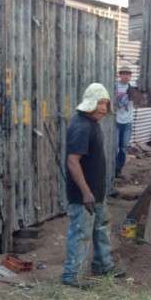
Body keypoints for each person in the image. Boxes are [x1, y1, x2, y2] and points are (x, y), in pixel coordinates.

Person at [62, 83, 125, 289]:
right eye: (100, 104)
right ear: (90, 103)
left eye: (106, 104)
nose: (104, 109)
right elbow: (73, 161)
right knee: (81, 233)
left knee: (101, 228)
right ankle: (72, 275)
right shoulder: (81, 126)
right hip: (84, 195)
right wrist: (86, 192)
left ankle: (102, 265)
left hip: (96, 192)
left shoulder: (92, 123)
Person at [114, 66, 137, 178]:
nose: (126, 76)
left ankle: (118, 170)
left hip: (128, 122)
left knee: (123, 148)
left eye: (128, 74)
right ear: (120, 75)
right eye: (124, 74)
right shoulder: (114, 86)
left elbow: (139, 100)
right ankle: (112, 169)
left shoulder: (132, 89)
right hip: (116, 121)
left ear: (130, 76)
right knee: (115, 147)